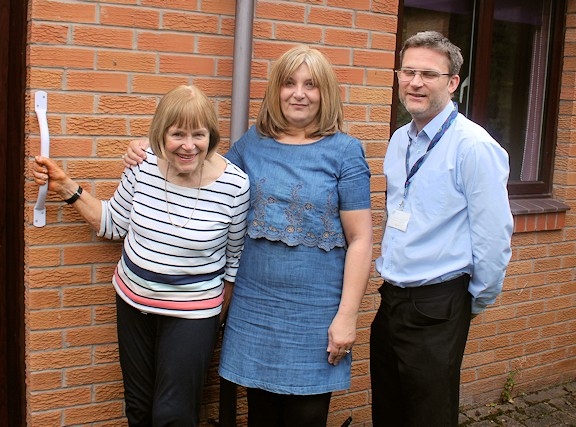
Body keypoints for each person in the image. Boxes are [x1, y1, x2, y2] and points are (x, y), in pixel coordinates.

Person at [123, 45, 373, 426]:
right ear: (276, 90)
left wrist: (347, 317)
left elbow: (361, 240)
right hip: (255, 309)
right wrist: (146, 147)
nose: (299, 93)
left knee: (305, 416)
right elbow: (197, 167)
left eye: (311, 85)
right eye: (289, 83)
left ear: (327, 93)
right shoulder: (252, 144)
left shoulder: (345, 152)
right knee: (260, 415)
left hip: (315, 314)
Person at [32, 85, 250, 427]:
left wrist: (214, 320)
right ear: (161, 134)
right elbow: (113, 223)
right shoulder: (143, 166)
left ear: (212, 136)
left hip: (193, 316)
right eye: (177, 134)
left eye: (199, 134)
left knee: (172, 416)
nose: (188, 145)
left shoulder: (235, 186)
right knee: (139, 409)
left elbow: (234, 262)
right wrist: (66, 188)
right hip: (133, 304)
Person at [371, 31, 514, 426]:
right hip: (392, 298)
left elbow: (493, 236)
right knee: (389, 410)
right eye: (408, 71)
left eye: (429, 74)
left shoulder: (473, 146)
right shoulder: (400, 140)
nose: (415, 82)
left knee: (429, 415)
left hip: (438, 305)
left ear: (452, 83)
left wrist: (474, 301)